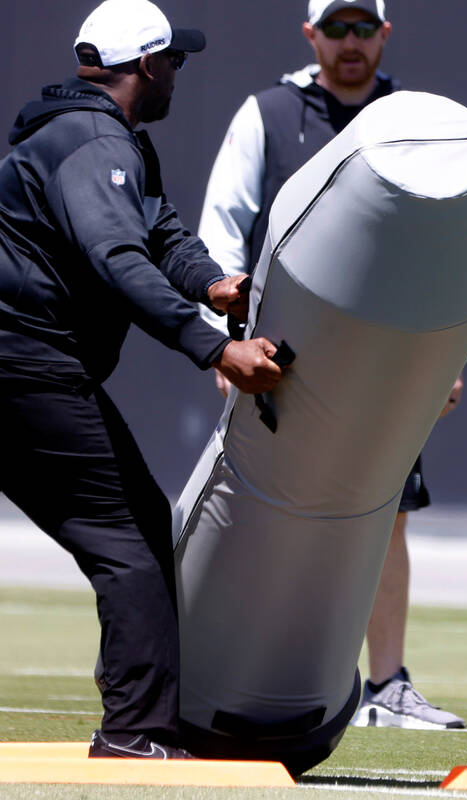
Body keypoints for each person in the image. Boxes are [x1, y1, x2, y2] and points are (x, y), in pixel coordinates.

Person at [0, 0, 285, 759]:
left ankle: (138, 725)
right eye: (175, 61)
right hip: (25, 369)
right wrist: (214, 348)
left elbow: (157, 235)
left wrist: (217, 286)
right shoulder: (96, 142)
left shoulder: (106, 138)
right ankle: (135, 735)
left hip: (28, 369)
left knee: (132, 532)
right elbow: (116, 260)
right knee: (128, 540)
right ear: (147, 65)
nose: (179, 74)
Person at [196, 0, 463, 730]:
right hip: (280, 357)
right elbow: (222, 225)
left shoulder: (414, 119)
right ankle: (233, 676)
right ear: (310, 33)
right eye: (336, 28)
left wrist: (442, 353)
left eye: (363, 27)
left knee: (387, 512)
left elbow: (442, 250)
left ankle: (387, 687)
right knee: (256, 514)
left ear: (385, 33)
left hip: (384, 357)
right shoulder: (269, 114)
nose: (351, 43)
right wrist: (220, 342)